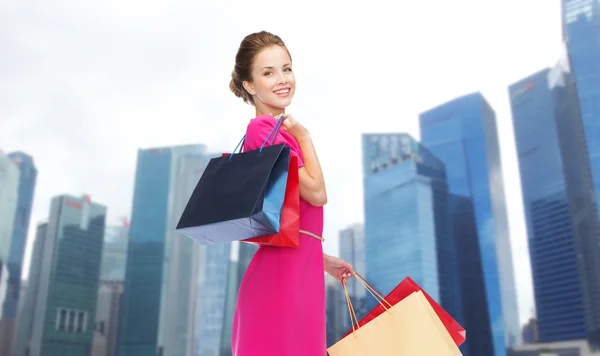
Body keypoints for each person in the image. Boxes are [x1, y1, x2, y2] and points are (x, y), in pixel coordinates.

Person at [229, 31, 355, 355]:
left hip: (297, 274)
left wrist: (321, 260)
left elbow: (289, 221)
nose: (282, 79)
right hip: (280, 284)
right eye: (268, 72)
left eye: (286, 68)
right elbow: (317, 193)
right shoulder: (263, 131)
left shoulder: (279, 133)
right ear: (249, 85)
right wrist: (306, 136)